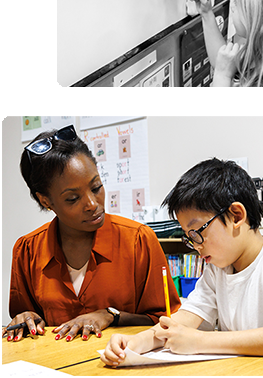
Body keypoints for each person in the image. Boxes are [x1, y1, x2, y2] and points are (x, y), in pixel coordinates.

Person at [101, 158, 263, 367]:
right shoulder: (216, 269)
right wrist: (140, 341)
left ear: (237, 216)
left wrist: (200, 341)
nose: (195, 245)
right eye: (188, 237)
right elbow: (188, 316)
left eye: (196, 233)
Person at [4, 125, 179, 343]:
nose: (92, 204)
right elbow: (26, 322)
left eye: (96, 187)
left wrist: (111, 315)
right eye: (72, 199)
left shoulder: (138, 240)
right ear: (46, 201)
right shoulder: (27, 250)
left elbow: (166, 322)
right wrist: (26, 318)